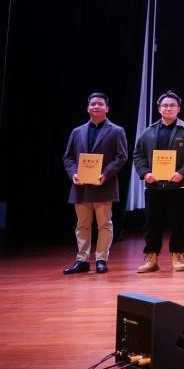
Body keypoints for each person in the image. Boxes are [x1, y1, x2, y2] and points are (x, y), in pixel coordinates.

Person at [132, 90, 184, 273]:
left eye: (172, 105)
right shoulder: (149, 131)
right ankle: (152, 258)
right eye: (165, 105)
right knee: (151, 223)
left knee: (177, 223)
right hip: (154, 185)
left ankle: (177, 256)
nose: (168, 108)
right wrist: (145, 173)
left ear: (179, 108)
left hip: (178, 185)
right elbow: (138, 154)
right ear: (159, 108)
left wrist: (182, 173)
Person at [61, 92, 129, 274]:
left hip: (104, 185)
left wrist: (106, 174)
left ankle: (101, 259)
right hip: (81, 186)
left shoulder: (117, 131)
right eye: (92, 104)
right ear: (87, 108)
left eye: (100, 104)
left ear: (107, 108)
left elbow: (121, 156)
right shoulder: (77, 131)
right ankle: (82, 260)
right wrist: (73, 173)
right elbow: (68, 157)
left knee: (104, 224)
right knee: (82, 225)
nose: (96, 106)